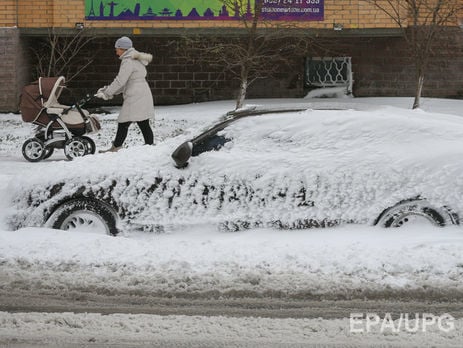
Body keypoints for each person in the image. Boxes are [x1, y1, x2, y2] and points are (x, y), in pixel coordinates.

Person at [95, 36, 155, 153]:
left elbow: (120, 81)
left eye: (117, 48)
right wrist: (108, 91)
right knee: (142, 121)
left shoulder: (128, 61)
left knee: (124, 120)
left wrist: (107, 93)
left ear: (123, 48)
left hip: (135, 95)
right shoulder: (135, 59)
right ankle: (150, 146)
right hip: (141, 92)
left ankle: (116, 147)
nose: (116, 51)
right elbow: (124, 83)